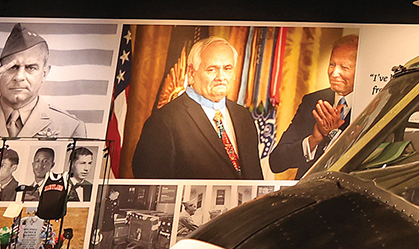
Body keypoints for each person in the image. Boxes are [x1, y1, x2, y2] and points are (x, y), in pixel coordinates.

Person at [131, 37, 265, 180]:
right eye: (212, 69)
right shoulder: (164, 122)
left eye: (227, 69)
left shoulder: (243, 116)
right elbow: (151, 186)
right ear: (191, 73)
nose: (221, 77)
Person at [269, 35, 360, 176]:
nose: (334, 73)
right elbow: (276, 161)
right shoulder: (312, 101)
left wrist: (334, 136)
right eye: (332, 64)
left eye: (344, 67)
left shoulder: (371, 104)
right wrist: (314, 140)